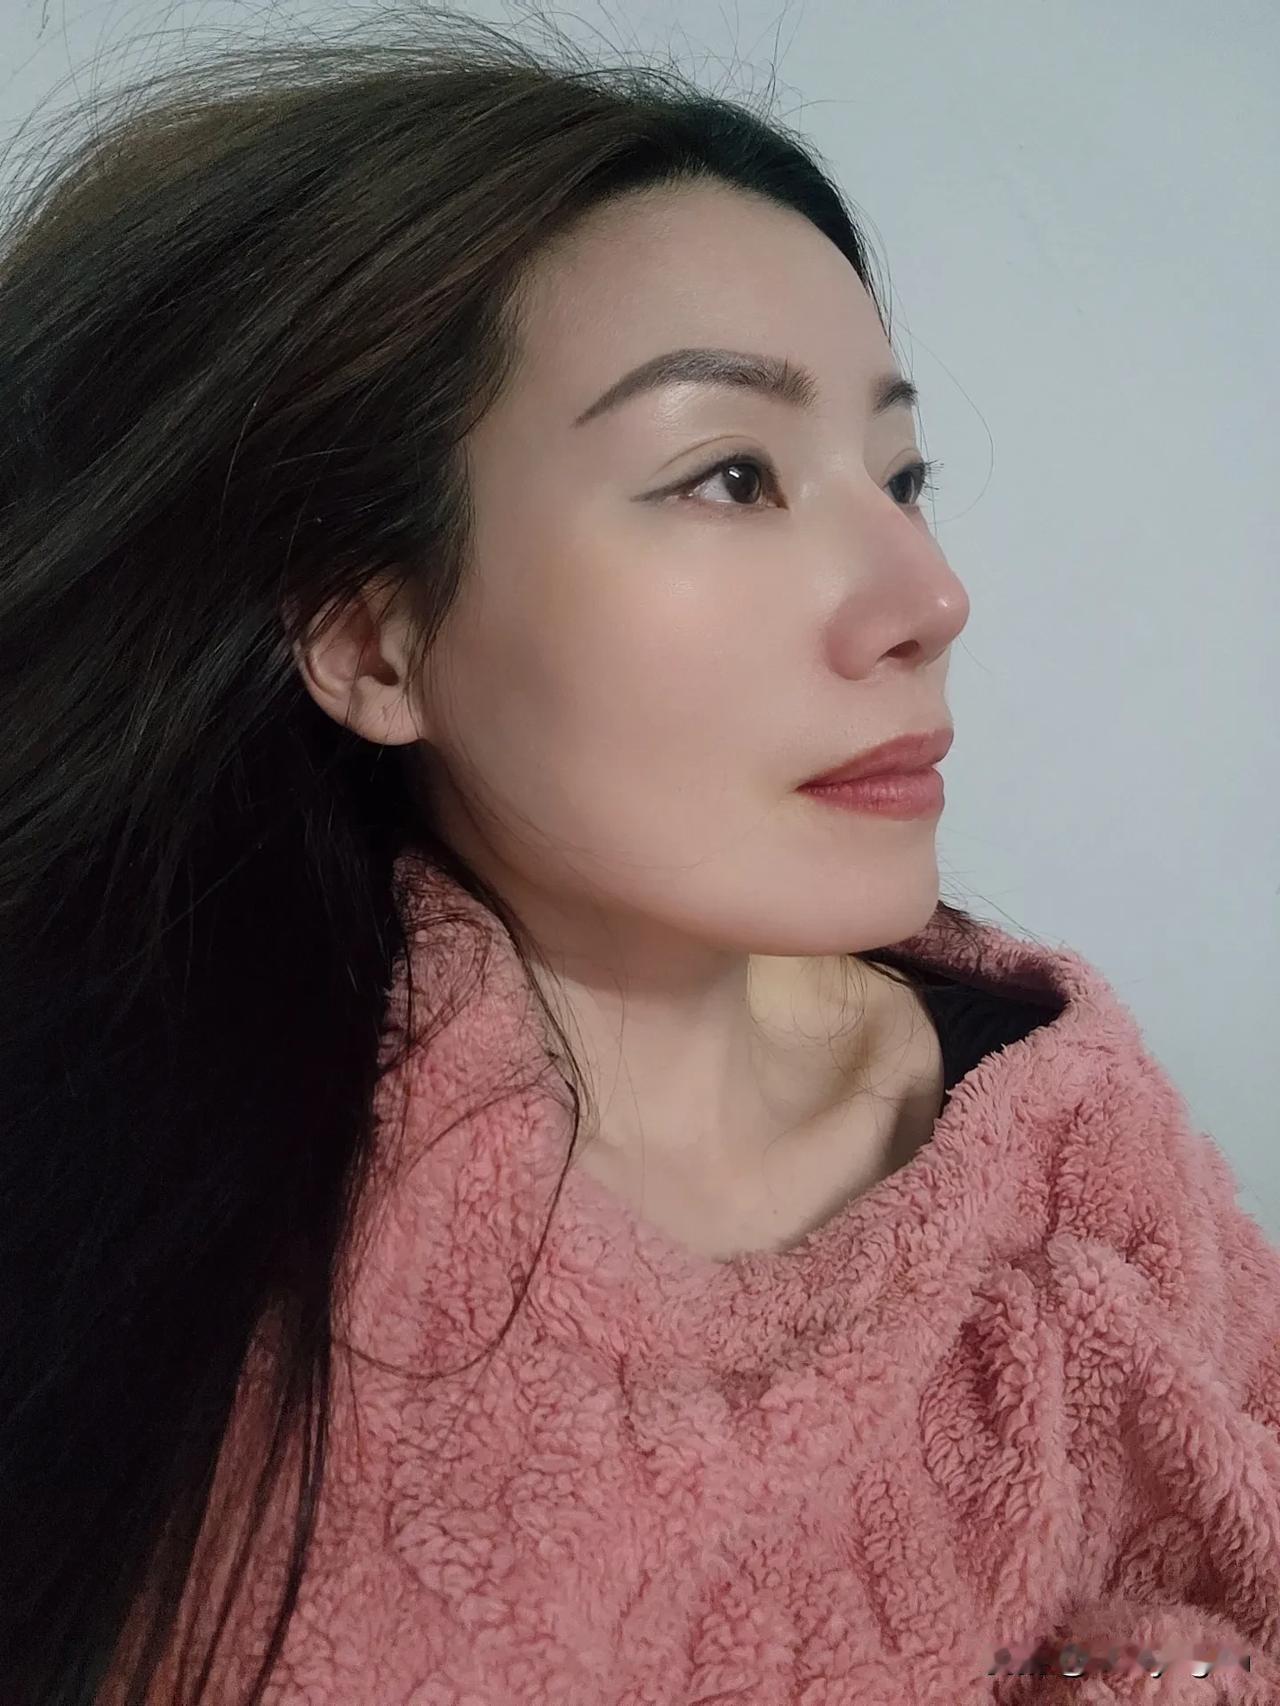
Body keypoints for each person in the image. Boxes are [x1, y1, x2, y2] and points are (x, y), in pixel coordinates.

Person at [1, 12, 1277, 1705]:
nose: (928, 597)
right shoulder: (147, 1237)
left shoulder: (1074, 1157)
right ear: (374, 638)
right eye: (732, 475)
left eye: (903, 474)